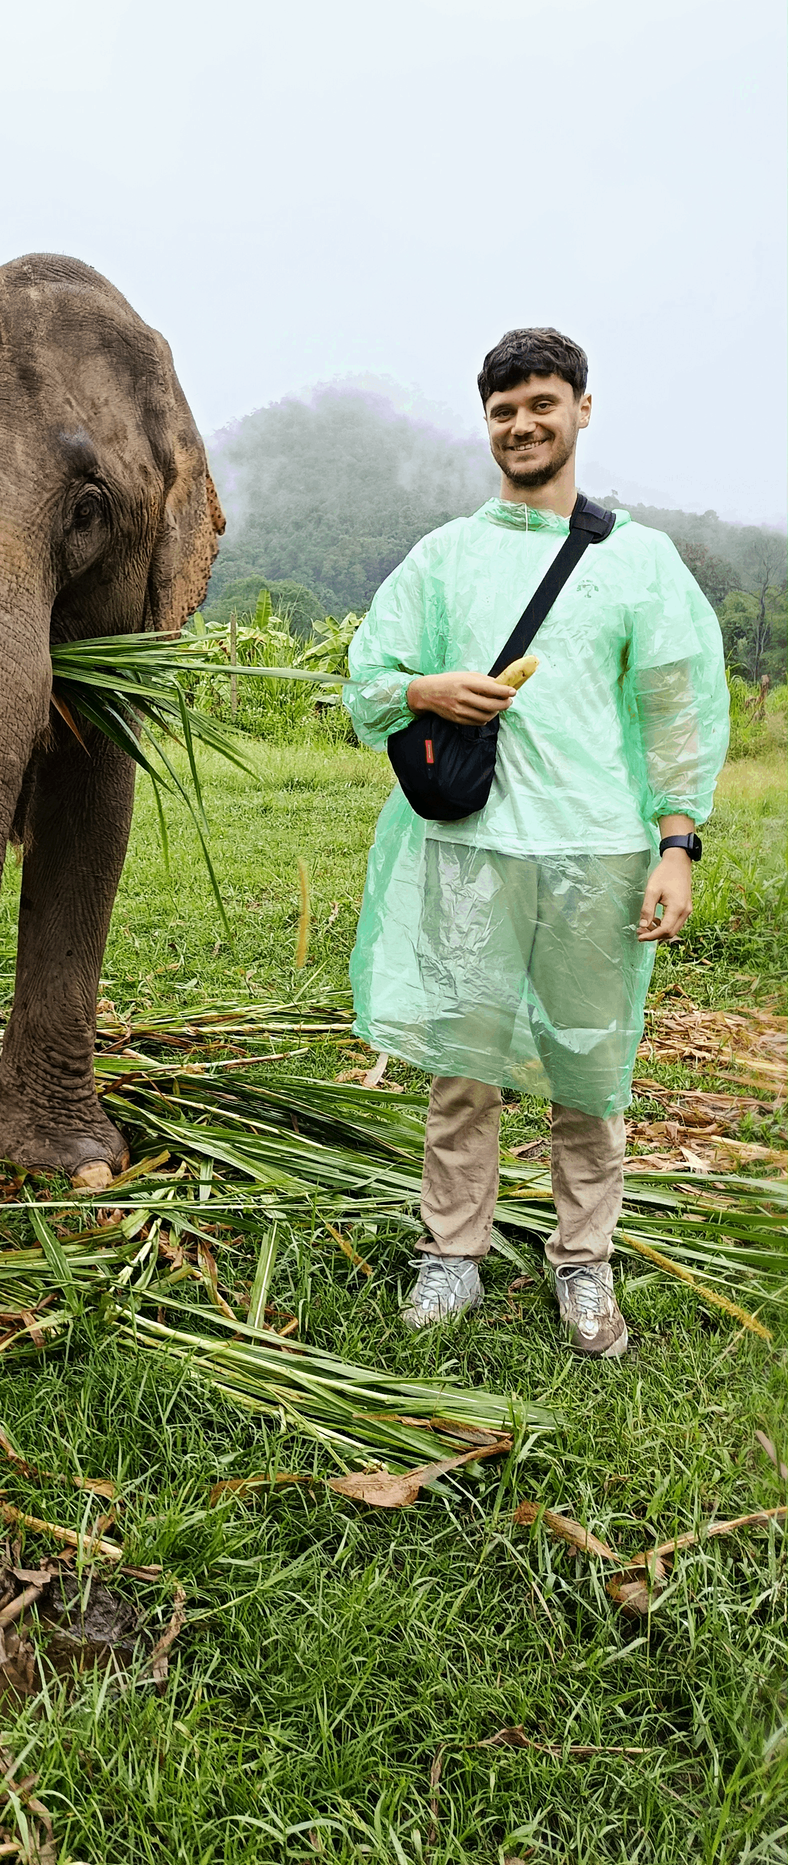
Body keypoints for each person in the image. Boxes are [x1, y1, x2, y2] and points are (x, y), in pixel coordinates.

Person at [343, 330, 729, 1358]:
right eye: (504, 410)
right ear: (489, 424)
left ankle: (584, 1263)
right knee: (462, 1065)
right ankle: (452, 1252)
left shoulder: (638, 559)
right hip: (474, 852)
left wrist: (676, 842)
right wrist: (426, 688)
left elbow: (676, 714)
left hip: (598, 851)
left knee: (590, 1068)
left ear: (582, 411)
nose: (522, 425)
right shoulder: (445, 556)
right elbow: (367, 676)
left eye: (542, 405)